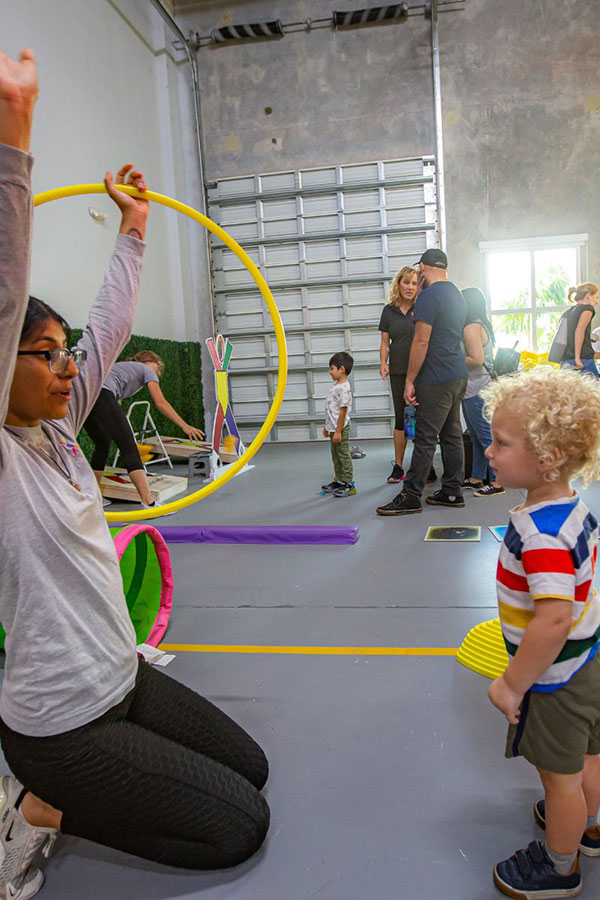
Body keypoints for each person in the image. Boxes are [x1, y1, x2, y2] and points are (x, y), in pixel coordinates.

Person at [0, 48, 269, 900]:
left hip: (122, 675)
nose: (62, 366)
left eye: (58, 351)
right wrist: (14, 132)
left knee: (251, 769)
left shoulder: (61, 428)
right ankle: (41, 809)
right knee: (237, 828)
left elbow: (108, 327)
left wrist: (135, 226)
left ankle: (81, 785)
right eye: (38, 354)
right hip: (60, 723)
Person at [481, 366, 600, 899]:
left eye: (500, 444)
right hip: (590, 660)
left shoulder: (541, 533)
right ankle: (587, 825)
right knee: (591, 757)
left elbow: (552, 619)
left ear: (547, 458)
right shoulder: (575, 510)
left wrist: (512, 683)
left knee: (560, 777)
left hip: (556, 678)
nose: (488, 452)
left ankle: (559, 864)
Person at [376, 249, 467, 516]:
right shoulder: (457, 294)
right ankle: (452, 491)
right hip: (457, 373)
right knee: (452, 434)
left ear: (423, 268)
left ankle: (412, 495)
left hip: (436, 377)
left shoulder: (428, 296)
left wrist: (410, 380)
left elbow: (421, 340)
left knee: (426, 437)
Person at [83, 351, 204, 507]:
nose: (158, 373)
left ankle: (94, 498)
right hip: (102, 395)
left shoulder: (123, 368)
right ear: (148, 361)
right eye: (158, 367)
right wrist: (185, 426)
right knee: (129, 448)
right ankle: (149, 501)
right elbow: (160, 402)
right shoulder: (145, 369)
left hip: (86, 398)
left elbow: (114, 404)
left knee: (102, 445)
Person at [379, 266, 437, 485]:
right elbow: (385, 343)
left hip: (422, 372)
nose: (410, 287)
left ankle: (426, 466)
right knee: (401, 419)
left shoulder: (422, 308)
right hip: (398, 372)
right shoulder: (389, 311)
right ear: (399, 284)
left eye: (414, 283)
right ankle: (399, 466)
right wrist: (383, 362)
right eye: (406, 283)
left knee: (422, 419)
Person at [461, 287, 504, 497]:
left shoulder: (471, 327)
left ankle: (497, 482)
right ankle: (477, 477)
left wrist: (451, 361)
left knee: (486, 437)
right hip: (476, 388)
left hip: (478, 389)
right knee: (477, 437)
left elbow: (476, 360)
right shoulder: (480, 325)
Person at [321, 351, 356, 497]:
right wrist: (326, 427)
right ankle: (339, 480)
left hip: (340, 428)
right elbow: (331, 410)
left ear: (341, 369)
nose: (330, 372)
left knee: (343, 455)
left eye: (332, 368)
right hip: (333, 428)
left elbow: (342, 412)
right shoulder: (336, 386)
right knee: (335, 456)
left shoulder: (343, 389)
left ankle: (349, 484)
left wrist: (338, 431)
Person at [560, 282, 599, 377]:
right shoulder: (587, 309)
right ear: (588, 296)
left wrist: (597, 338)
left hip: (566, 359)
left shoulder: (568, 312)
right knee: (594, 389)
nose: (596, 301)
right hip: (582, 359)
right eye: (596, 297)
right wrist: (577, 358)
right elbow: (579, 331)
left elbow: (572, 332)